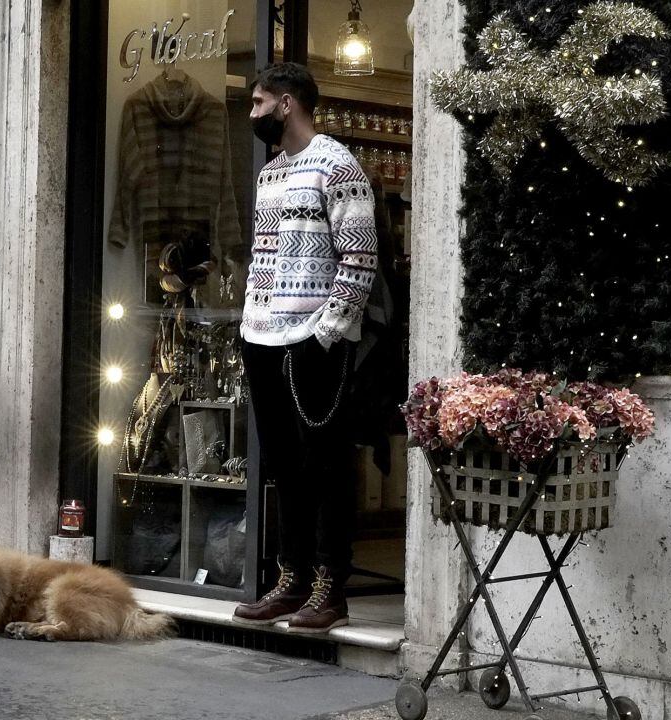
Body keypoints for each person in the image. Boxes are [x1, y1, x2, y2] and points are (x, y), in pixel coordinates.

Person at [234, 62, 378, 633]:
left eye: (258, 102)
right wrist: (249, 324)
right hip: (262, 339)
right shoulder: (272, 174)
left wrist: (326, 333)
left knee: (327, 466)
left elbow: (360, 259)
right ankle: (290, 580)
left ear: (287, 103)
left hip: (313, 343)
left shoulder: (337, 164)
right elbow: (261, 259)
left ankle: (330, 587)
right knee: (283, 467)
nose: (253, 113)